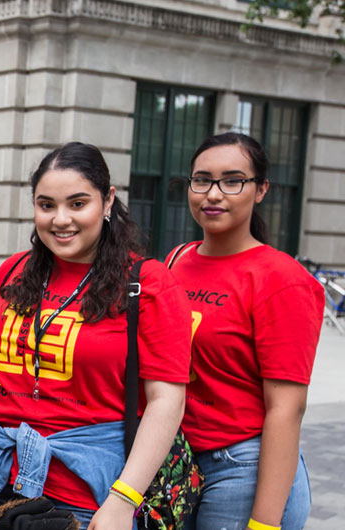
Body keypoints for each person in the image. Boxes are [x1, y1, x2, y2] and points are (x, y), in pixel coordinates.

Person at [0, 142, 190, 529]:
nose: (60, 219)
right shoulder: (12, 271)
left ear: (107, 202)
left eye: (77, 203)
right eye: (46, 205)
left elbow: (166, 400)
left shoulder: (147, 282)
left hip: (88, 497)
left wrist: (123, 501)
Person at [167, 132, 320, 530]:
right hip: (179, 462)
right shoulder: (175, 261)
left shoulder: (282, 278)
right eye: (202, 180)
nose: (213, 194)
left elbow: (287, 408)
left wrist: (264, 523)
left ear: (260, 189)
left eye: (232, 181)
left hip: (243, 466)